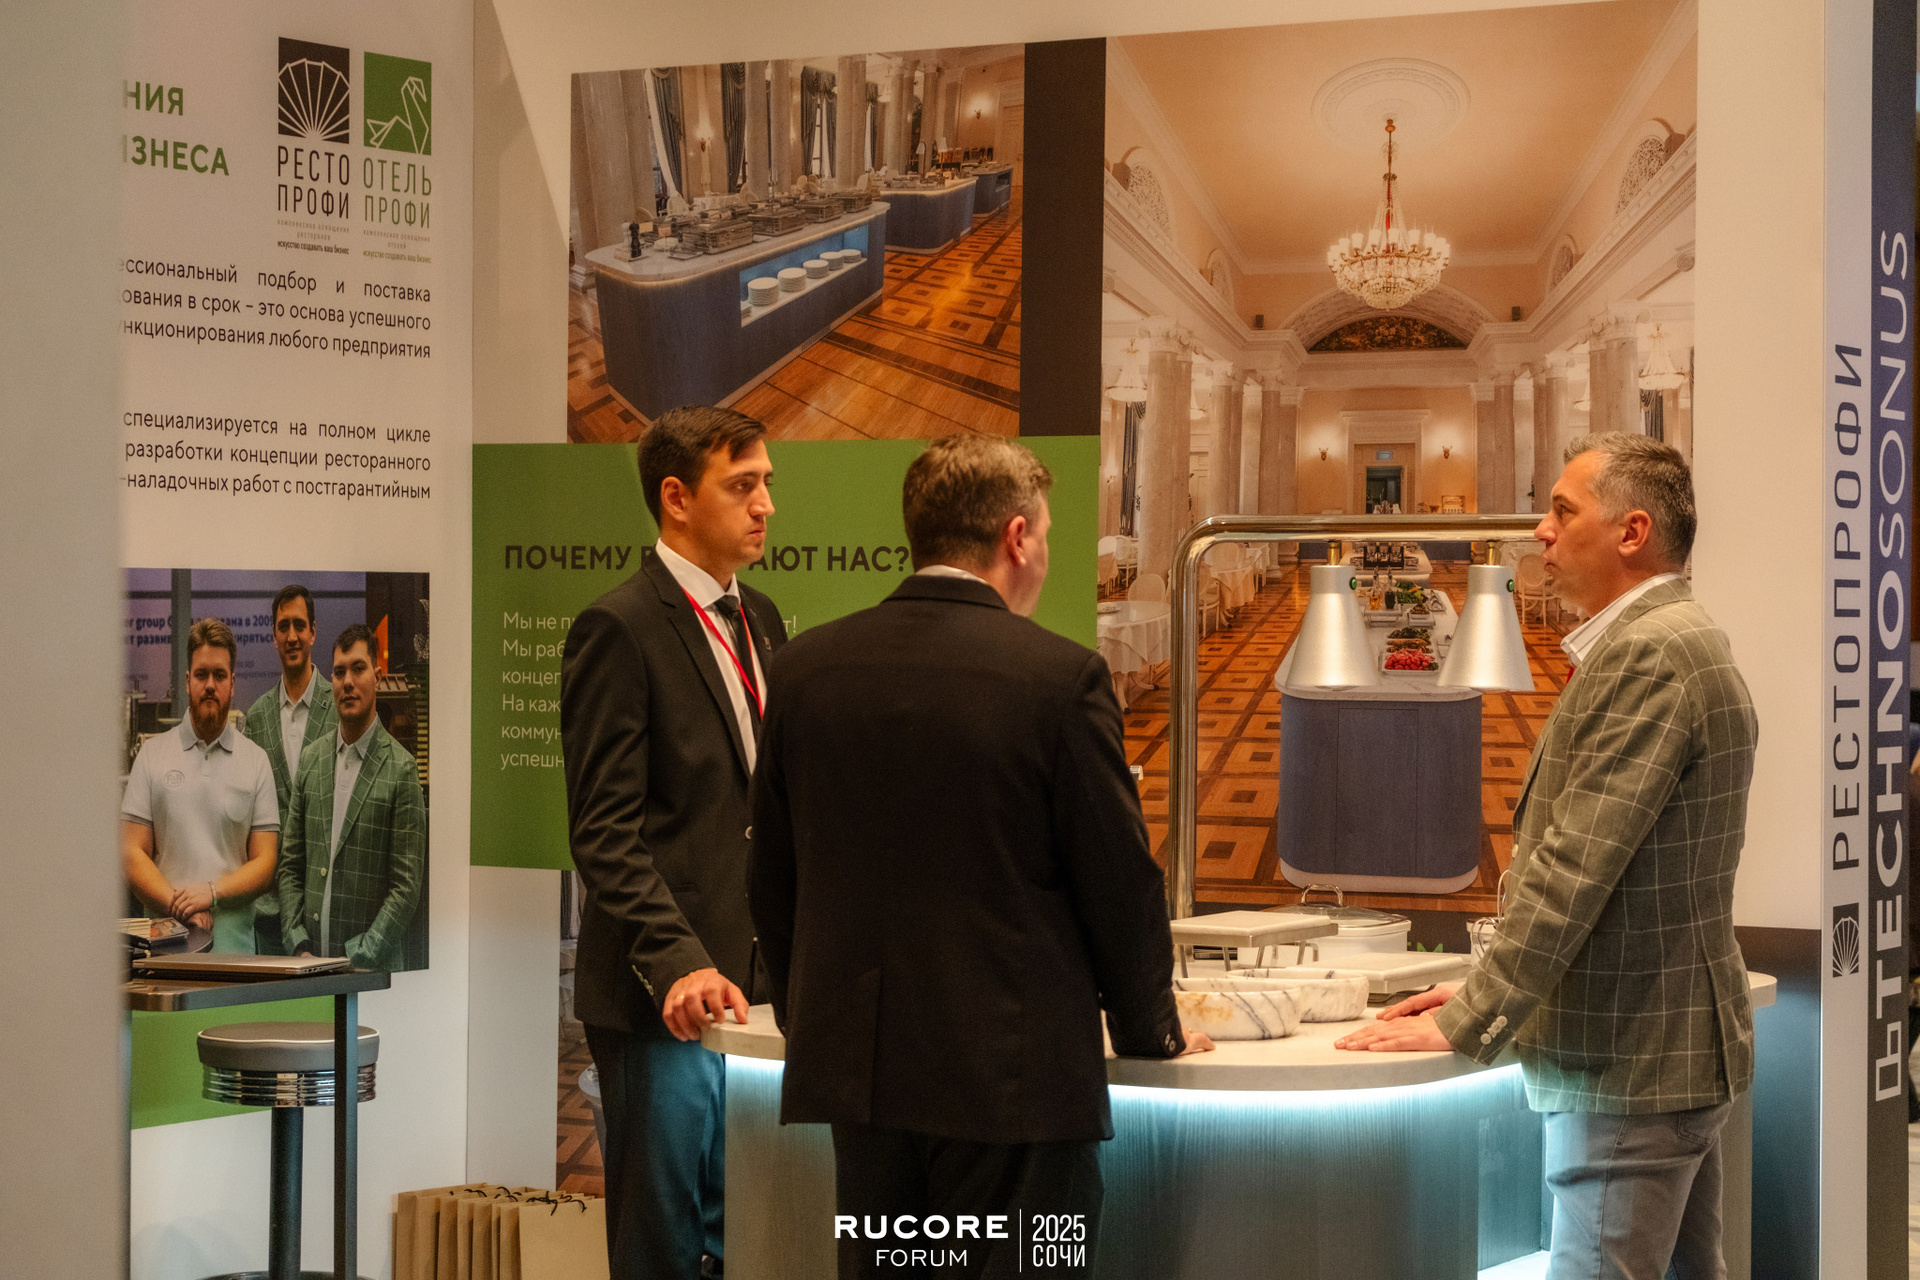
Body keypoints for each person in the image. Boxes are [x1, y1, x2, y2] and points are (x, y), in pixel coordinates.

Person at [749, 434, 1212, 1280]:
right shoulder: (1060, 678)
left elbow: (773, 879)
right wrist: (1152, 1029)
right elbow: (1118, 880)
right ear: (1017, 536)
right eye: (1047, 534)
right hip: (1019, 1090)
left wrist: (808, 1018)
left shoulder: (806, 669)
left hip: (864, 1086)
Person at [1336, 432, 1758, 1280]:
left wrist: (1473, 1016)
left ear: (1631, 532)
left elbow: (1573, 871)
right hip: (1661, 1052)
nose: (1541, 530)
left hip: (1629, 1061)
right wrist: (1484, 991)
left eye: (1563, 511)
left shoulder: (1650, 653)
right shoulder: (1673, 637)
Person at [561, 405, 785, 1280]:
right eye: (743, 485)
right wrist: (679, 961)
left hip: (755, 995)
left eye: (766, 484)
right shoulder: (619, 627)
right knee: (664, 1246)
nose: (765, 505)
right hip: (665, 997)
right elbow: (603, 832)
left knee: (747, 1235)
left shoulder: (761, 616)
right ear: (676, 498)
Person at [121, 617, 279, 953]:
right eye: (201, 674)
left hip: (235, 960)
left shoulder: (256, 762)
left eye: (219, 675)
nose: (210, 685)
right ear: (187, 681)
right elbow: (132, 854)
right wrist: (180, 906)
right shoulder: (152, 756)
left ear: (232, 683)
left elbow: (265, 864)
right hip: (163, 957)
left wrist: (211, 892)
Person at [276, 623, 425, 971]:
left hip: (372, 974)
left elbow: (405, 888)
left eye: (358, 669)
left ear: (377, 676)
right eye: (340, 672)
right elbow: (291, 865)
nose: (348, 682)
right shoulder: (311, 760)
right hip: (309, 968)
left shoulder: (402, 770)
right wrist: (297, 944)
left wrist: (358, 958)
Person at [244, 583, 338, 954]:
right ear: (274, 636)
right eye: (283, 627)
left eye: (300, 625)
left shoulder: (339, 709)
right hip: (270, 911)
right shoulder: (257, 718)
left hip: (323, 904)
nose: (292, 636)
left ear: (313, 631)